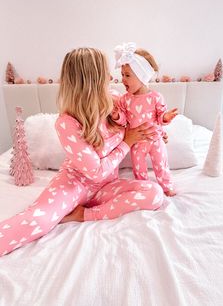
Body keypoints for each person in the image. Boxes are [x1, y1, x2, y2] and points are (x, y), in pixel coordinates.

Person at [0, 47, 165, 257]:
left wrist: (157, 132)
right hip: (75, 183)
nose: (110, 76)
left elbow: (143, 120)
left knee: (153, 193)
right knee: (38, 219)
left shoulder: (116, 101)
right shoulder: (66, 123)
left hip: (107, 187)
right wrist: (127, 142)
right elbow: (95, 172)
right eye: (105, 71)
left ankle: (82, 214)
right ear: (93, 79)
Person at [111, 42, 178, 196]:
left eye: (127, 75)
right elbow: (123, 121)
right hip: (136, 142)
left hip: (155, 139)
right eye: (122, 75)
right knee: (138, 167)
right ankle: (145, 187)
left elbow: (161, 117)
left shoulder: (156, 97)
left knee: (161, 165)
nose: (123, 79)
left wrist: (166, 117)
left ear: (142, 76)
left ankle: (166, 186)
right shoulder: (124, 99)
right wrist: (117, 116)